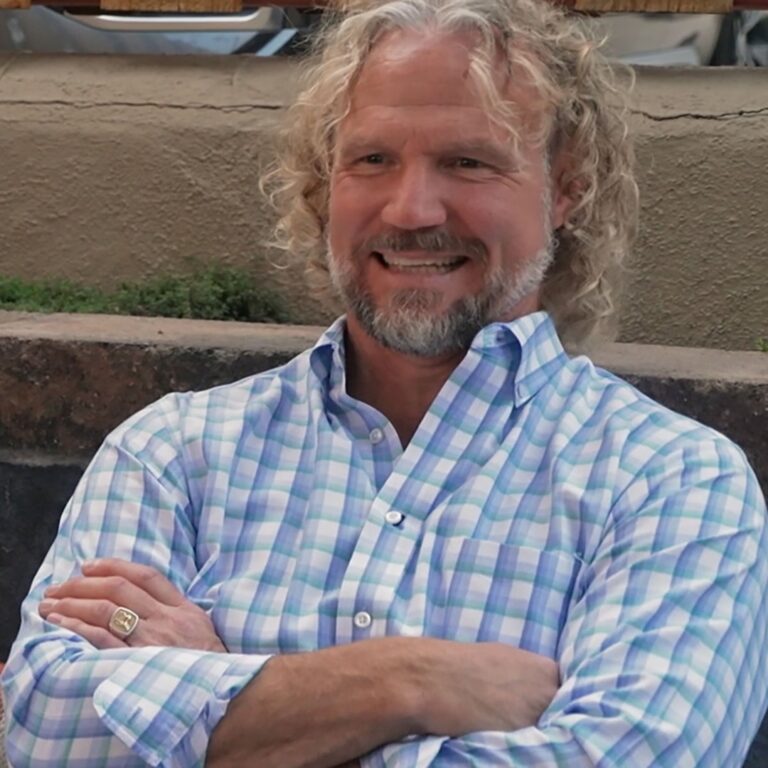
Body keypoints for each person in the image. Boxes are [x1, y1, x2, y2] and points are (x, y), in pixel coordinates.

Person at [3, 0, 768, 765]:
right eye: (372, 160)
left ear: (565, 187)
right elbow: (39, 730)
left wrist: (230, 698)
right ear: (323, 183)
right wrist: (410, 681)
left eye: (468, 162)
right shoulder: (173, 455)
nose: (411, 209)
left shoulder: (671, 483)